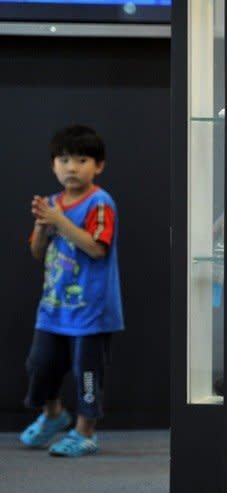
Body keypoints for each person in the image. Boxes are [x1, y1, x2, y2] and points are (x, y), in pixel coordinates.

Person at [19, 124, 123, 457]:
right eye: (64, 160)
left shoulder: (101, 202)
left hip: (90, 312)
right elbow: (37, 253)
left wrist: (60, 221)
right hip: (52, 309)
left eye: (82, 160)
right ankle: (52, 415)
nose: (72, 167)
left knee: (87, 375)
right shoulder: (50, 204)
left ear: (99, 165)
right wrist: (41, 224)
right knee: (39, 366)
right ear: (53, 166)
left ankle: (85, 432)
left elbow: (97, 249)